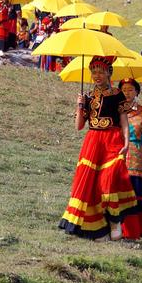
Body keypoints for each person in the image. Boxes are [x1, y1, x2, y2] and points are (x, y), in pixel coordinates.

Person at [59, 56, 136, 241]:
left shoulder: (118, 94)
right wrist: (79, 105)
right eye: (94, 72)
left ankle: (115, 221)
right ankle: (98, 229)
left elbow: (124, 120)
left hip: (112, 139)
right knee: (89, 184)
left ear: (109, 73)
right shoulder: (88, 97)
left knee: (109, 179)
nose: (97, 75)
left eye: (101, 71)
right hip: (93, 142)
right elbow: (79, 126)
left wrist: (127, 142)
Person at [118, 78, 142, 240]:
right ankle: (120, 228)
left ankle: (141, 227)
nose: (127, 92)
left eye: (130, 89)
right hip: (118, 153)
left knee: (137, 189)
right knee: (119, 190)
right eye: (124, 89)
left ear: (137, 92)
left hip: (136, 154)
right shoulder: (115, 111)